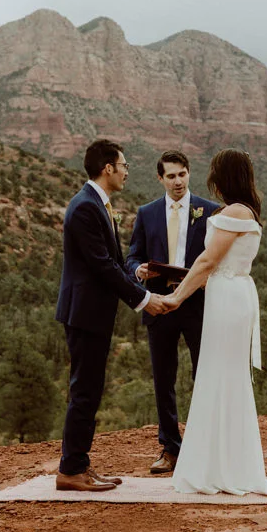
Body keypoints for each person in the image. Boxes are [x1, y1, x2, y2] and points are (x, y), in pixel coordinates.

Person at [55, 140, 173, 492]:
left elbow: (113, 264)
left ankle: (79, 464)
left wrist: (137, 275)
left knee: (90, 390)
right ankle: (71, 469)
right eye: (123, 165)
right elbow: (102, 267)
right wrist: (144, 300)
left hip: (92, 314)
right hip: (85, 314)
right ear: (107, 168)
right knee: (84, 392)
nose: (126, 171)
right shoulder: (85, 208)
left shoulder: (95, 204)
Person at [164, 150, 267, 497]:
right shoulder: (245, 211)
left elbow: (206, 261)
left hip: (227, 297)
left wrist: (175, 298)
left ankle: (221, 467)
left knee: (221, 374)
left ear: (224, 177)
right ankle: (223, 462)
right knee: (221, 374)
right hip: (231, 295)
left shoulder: (235, 212)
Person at [126, 150, 217, 474]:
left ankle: (205, 446)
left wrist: (210, 279)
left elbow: (220, 258)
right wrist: (139, 272)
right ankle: (170, 449)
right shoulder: (147, 213)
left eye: (182, 174)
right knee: (163, 377)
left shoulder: (210, 211)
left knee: (204, 375)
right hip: (159, 303)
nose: (177, 181)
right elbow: (132, 256)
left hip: (197, 304)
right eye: (171, 176)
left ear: (189, 173)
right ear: (160, 178)